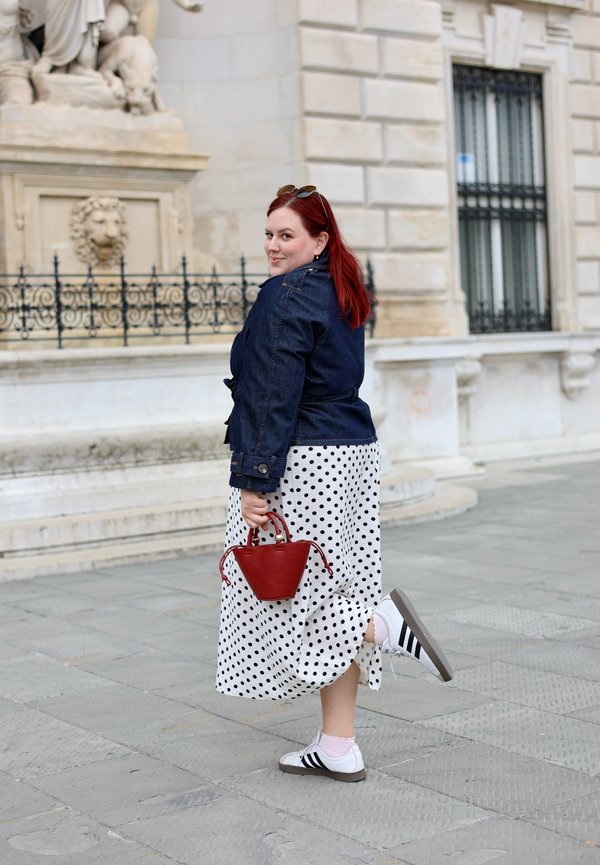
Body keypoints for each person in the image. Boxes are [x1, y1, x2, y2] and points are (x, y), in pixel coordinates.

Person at [217, 184, 453, 782]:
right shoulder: (340, 291)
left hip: (301, 463)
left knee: (292, 592)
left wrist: (254, 481)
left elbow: (272, 393)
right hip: (349, 457)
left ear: (319, 240)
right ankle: (338, 743)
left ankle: (382, 626)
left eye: (286, 235)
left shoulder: (286, 295)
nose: (273, 245)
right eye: (269, 233)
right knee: (333, 582)